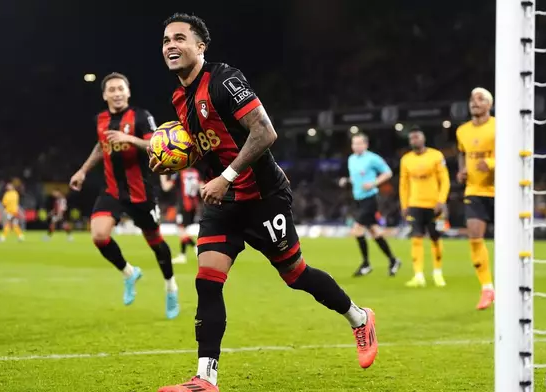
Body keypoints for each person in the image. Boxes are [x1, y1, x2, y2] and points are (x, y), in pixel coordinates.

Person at [153, 13, 378, 392]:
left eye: (179, 38)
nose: (170, 46)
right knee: (207, 282)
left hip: (262, 198)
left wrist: (225, 178)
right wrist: (179, 161)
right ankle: (205, 379)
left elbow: (264, 132)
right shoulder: (180, 98)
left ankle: (359, 318)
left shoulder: (224, 80)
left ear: (200, 47)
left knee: (296, 275)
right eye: (164, 41)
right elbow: (212, 147)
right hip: (224, 204)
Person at [69, 72, 179, 319]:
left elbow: (156, 145)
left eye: (121, 88)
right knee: (98, 236)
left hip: (141, 191)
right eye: (112, 90)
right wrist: (83, 170)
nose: (117, 93)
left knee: (156, 243)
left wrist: (128, 138)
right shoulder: (100, 119)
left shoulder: (142, 116)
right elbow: (101, 146)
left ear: (128, 92)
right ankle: (129, 273)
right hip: (112, 190)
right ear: (105, 95)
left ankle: (171, 286)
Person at [338, 133, 401, 277]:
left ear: (366, 145)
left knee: (357, 229)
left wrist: (373, 183)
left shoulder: (373, 158)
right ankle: (393, 260)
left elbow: (388, 173)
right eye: (354, 143)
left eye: (359, 143)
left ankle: (366, 264)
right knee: (374, 231)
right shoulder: (351, 159)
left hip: (370, 198)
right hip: (358, 199)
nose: (356, 146)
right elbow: (357, 178)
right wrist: (347, 181)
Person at [456, 87, 496, 310]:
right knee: (474, 235)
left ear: (489, 104)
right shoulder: (462, 131)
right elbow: (463, 153)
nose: (475, 102)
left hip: (502, 191)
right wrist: (462, 170)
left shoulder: (499, 126)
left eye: (480, 99)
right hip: (474, 190)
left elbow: (513, 151)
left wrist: (490, 164)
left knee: (508, 241)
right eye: (472, 99)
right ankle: (487, 288)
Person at [399, 126, 450, 288]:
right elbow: (403, 184)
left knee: (435, 238)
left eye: (417, 137)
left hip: (434, 204)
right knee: (416, 238)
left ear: (423, 139)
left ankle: (437, 273)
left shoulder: (436, 156)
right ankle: (418, 275)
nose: (415, 140)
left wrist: (441, 201)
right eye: (412, 138)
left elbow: (445, 180)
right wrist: (404, 204)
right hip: (414, 204)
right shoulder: (406, 159)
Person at [160, 168, 202, 264]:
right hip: (194, 205)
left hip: (184, 205)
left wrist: (162, 175)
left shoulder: (180, 173)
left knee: (181, 230)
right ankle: (184, 254)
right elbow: (201, 187)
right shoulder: (196, 172)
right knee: (182, 230)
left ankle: (193, 248)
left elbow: (166, 187)